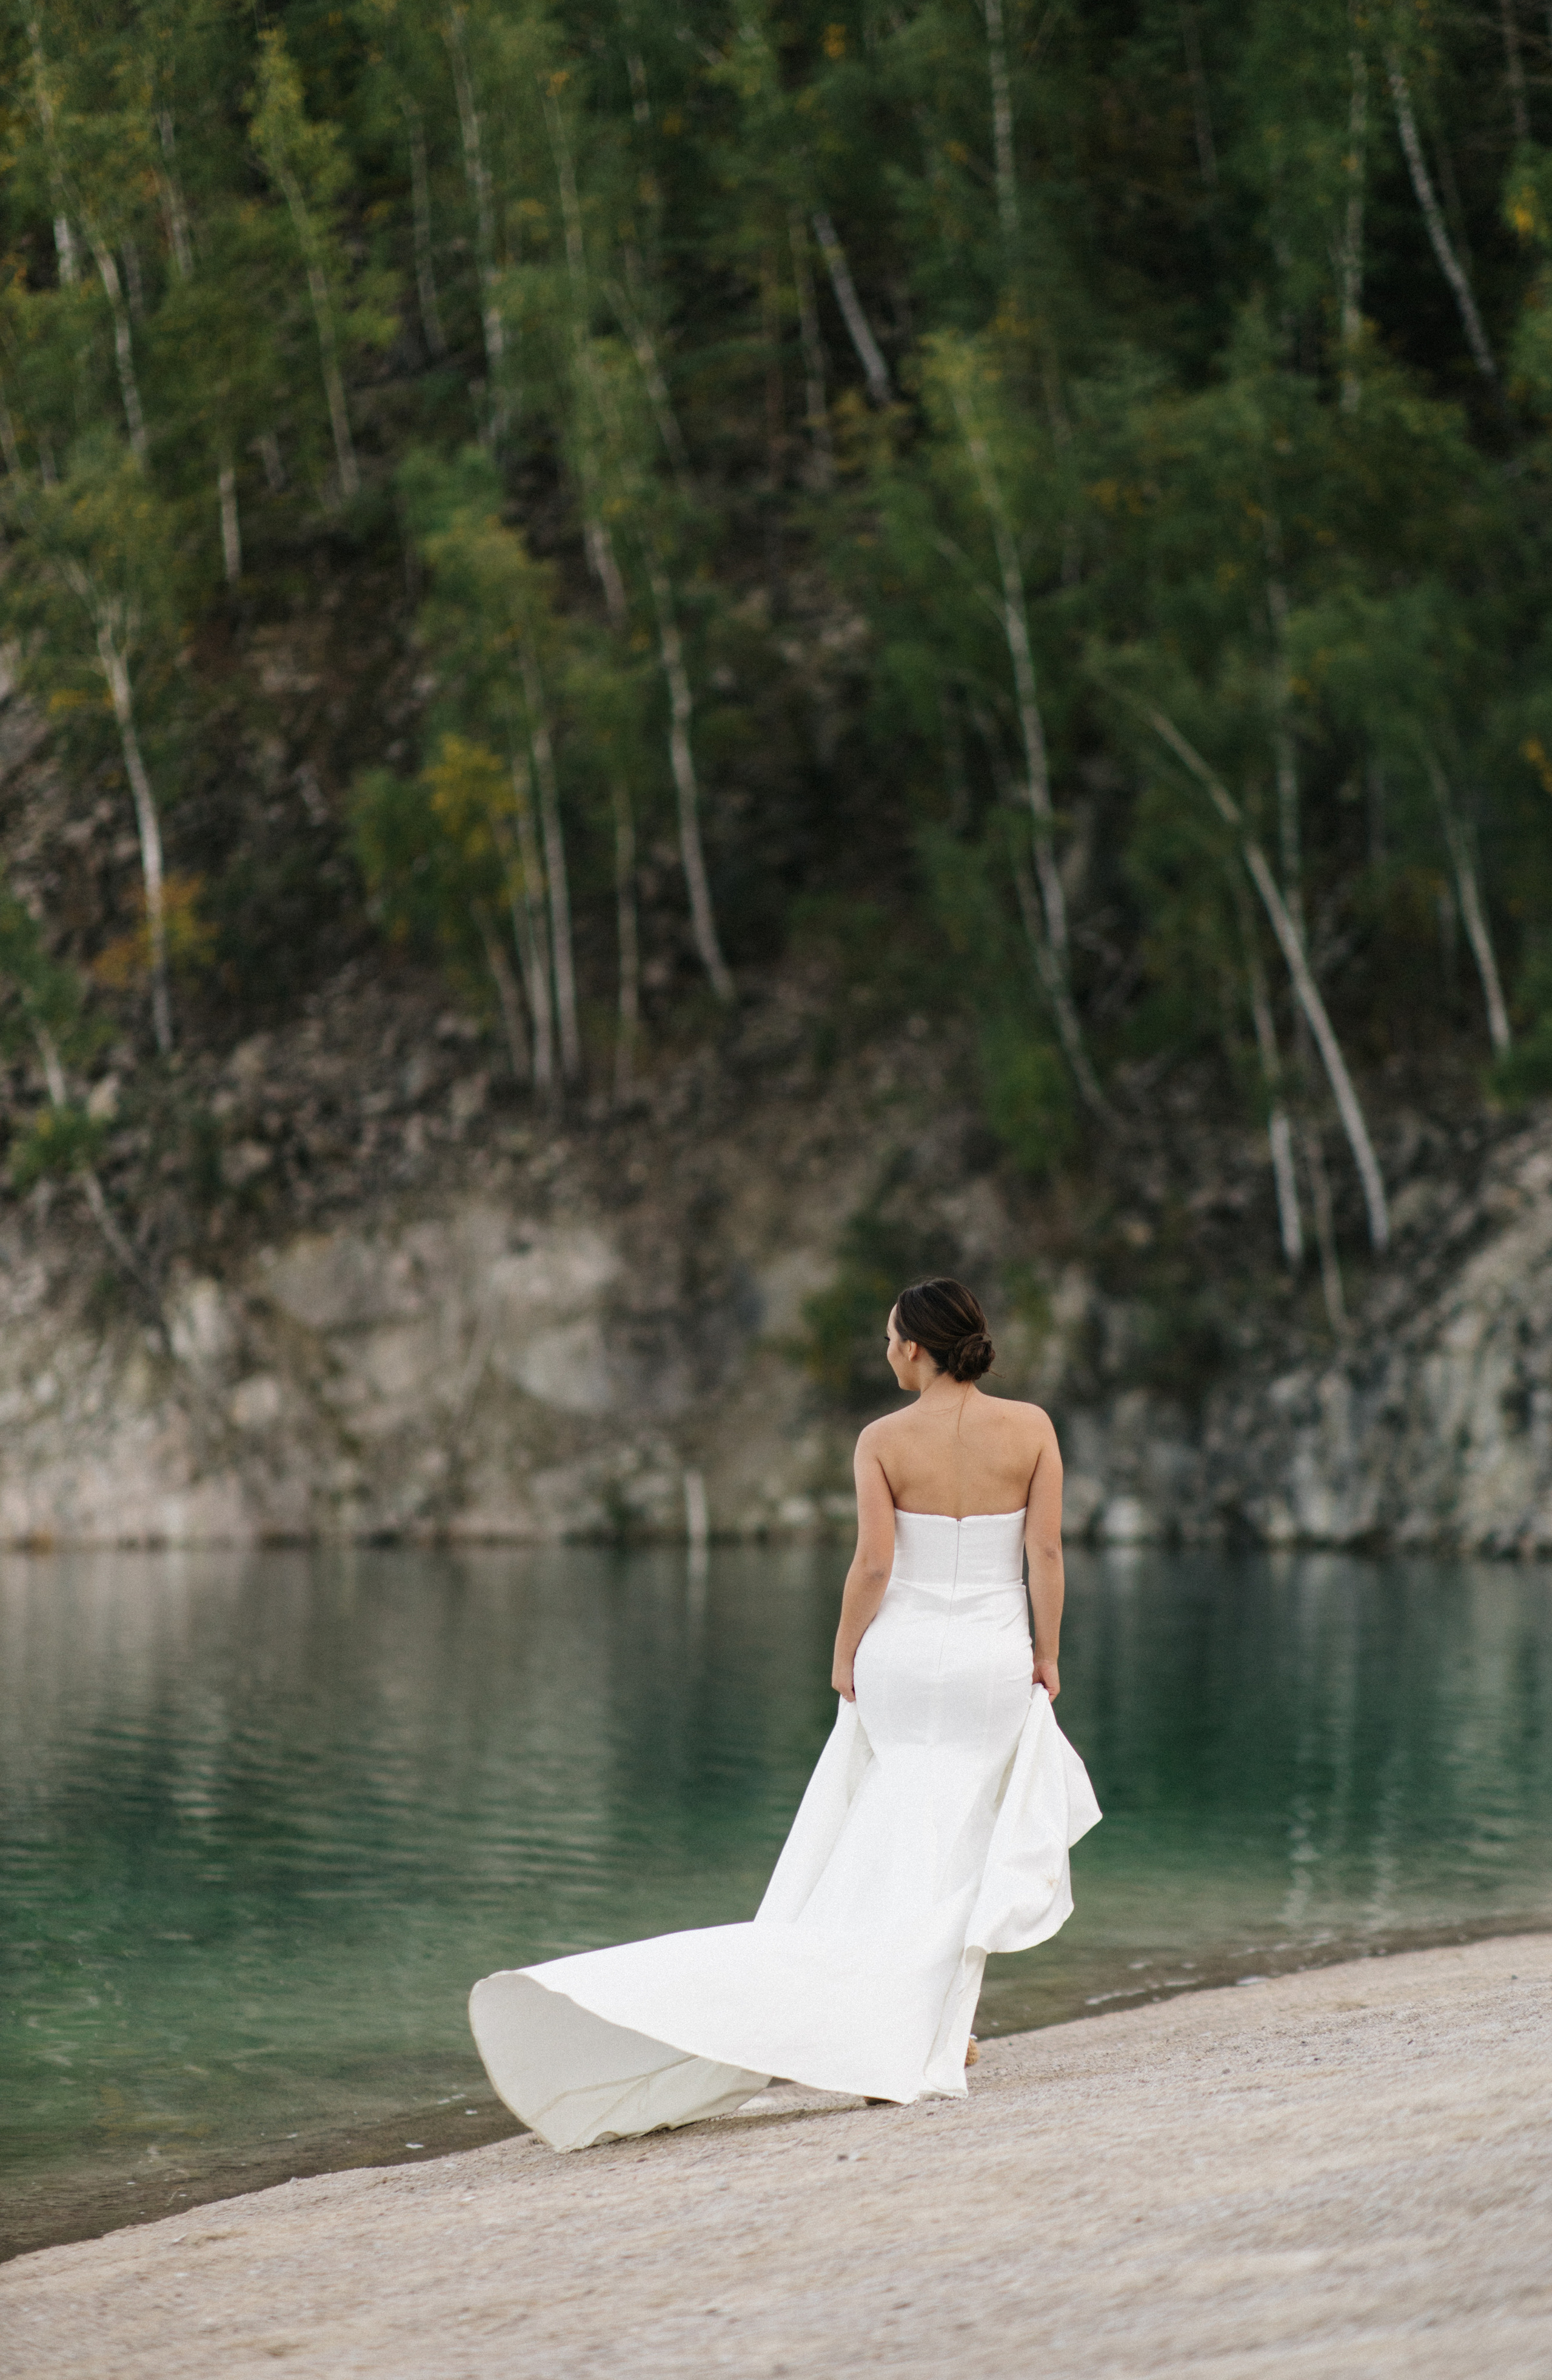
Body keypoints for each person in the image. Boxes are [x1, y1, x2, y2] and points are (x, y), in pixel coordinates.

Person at [469, 1277, 1100, 2151]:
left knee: (888, 1833)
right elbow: (1045, 1550)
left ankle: (900, 2023)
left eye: (889, 1338)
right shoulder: (1031, 1428)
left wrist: (844, 1653)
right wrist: (1049, 1652)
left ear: (916, 1348)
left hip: (905, 1658)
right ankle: (933, 2030)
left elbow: (875, 1563)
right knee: (965, 1838)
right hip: (992, 1654)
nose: (885, 1352)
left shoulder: (882, 1439)